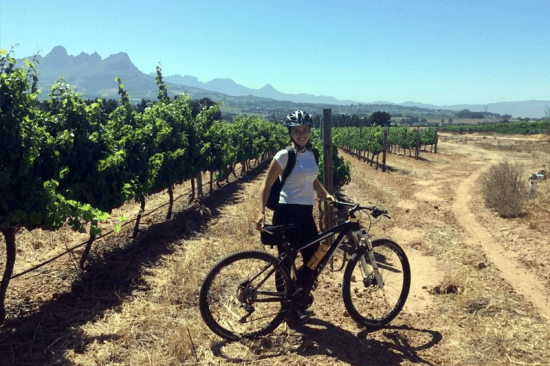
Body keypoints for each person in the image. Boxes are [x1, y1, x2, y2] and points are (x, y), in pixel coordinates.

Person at [255, 110, 335, 324]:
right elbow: (267, 184)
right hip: (286, 213)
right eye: (297, 130)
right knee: (286, 263)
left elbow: (312, 181)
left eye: (305, 130)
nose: (302, 134)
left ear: (310, 131)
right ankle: (287, 310)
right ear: (290, 132)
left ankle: (296, 296)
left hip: (305, 214)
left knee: (314, 258)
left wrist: (325, 194)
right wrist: (261, 211)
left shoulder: (313, 154)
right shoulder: (284, 155)